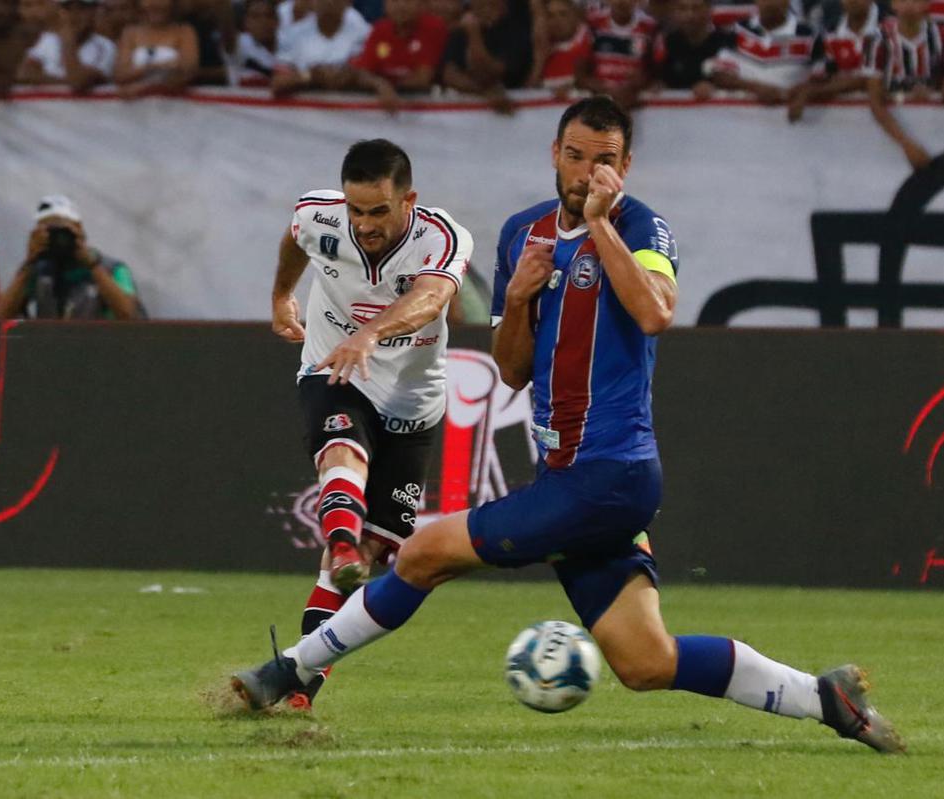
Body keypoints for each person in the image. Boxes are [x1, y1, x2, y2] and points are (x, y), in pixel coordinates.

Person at [229, 96, 906, 756]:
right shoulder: (523, 233)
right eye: (575, 155)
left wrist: (602, 225)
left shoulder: (643, 227)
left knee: (424, 552)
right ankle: (828, 698)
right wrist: (520, 297)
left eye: (603, 160)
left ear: (625, 166)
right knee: (645, 661)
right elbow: (512, 369)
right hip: (569, 479)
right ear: (554, 152)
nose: (586, 172)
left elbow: (656, 312)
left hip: (609, 474)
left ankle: (287, 672)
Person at [248, 139, 472, 709]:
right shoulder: (316, 217)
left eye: (378, 210)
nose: (364, 225)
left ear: (408, 200)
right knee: (342, 449)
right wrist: (281, 297)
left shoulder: (441, 237)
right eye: (356, 210)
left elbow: (432, 299)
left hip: (413, 403)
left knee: (377, 552)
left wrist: (370, 334)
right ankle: (340, 540)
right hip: (333, 367)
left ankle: (301, 683)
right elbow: (295, 242)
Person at [0, 195, 147, 319]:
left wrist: (93, 267)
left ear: (79, 230)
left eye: (64, 231)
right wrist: (30, 262)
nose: (58, 239)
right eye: (49, 232)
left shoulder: (112, 269)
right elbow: (1, 317)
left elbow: (130, 317)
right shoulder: (37, 270)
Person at [866, 0, 944, 170]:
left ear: (926, 4)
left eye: (916, 1)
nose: (909, 6)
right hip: (894, 133)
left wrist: (935, 91)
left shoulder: (943, 35)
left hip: (938, 127)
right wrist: (906, 145)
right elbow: (875, 101)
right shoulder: (877, 38)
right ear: (893, 4)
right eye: (904, 0)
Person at [707, 0, 826, 104]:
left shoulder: (811, 36)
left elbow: (823, 79)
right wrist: (756, 88)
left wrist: (799, 93)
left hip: (792, 120)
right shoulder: (736, 31)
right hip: (743, 120)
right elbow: (719, 75)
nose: (770, 3)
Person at [787, 0, 884, 120]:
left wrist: (811, 92)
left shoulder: (886, 29)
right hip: (843, 118)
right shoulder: (830, 30)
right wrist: (803, 88)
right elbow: (825, 74)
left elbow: (866, 79)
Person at [349, 0, 448, 109]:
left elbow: (422, 78)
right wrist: (381, 85)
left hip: (422, 106)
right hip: (386, 102)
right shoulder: (380, 28)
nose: (401, 6)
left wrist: (389, 89)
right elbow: (363, 72)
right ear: (385, 5)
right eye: (394, 1)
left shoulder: (433, 27)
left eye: (407, 1)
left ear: (421, 4)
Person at [440, 0, 532, 113]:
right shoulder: (463, 30)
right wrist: (483, 92)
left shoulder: (516, 30)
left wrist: (474, 34)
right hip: (471, 116)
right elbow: (449, 75)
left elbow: (494, 72)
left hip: (515, 116)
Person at [270, 0, 371, 95]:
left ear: (349, 2)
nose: (329, 2)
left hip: (353, 108)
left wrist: (351, 77)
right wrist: (310, 76)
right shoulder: (293, 34)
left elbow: (377, 79)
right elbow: (278, 83)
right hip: (304, 110)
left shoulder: (365, 33)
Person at [18, 0, 118, 91]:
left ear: (94, 12)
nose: (74, 15)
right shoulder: (47, 40)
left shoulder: (106, 47)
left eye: (82, 8)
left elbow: (78, 82)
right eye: (68, 8)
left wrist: (68, 42)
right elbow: (24, 74)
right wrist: (65, 82)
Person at [577, 0, 657, 109]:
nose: (622, 2)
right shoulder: (592, 23)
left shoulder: (650, 27)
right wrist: (607, 91)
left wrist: (632, 87)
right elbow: (580, 75)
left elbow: (653, 73)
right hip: (599, 102)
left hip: (633, 102)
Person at [113, 0, 198, 97]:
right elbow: (120, 75)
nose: (155, 4)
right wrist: (157, 67)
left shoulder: (185, 31)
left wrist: (145, 86)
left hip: (174, 105)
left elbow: (187, 71)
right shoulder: (129, 33)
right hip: (136, 108)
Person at [651, 0, 736, 96]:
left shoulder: (728, 42)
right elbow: (663, 79)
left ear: (709, 10)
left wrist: (714, 87)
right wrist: (659, 85)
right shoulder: (667, 43)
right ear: (674, 12)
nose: (689, 15)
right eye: (682, 9)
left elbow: (734, 82)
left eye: (696, 8)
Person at [227, 0, 279, 86]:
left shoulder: (290, 47)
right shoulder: (240, 44)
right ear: (246, 22)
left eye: (268, 16)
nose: (263, 21)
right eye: (255, 16)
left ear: (277, 21)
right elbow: (226, 33)